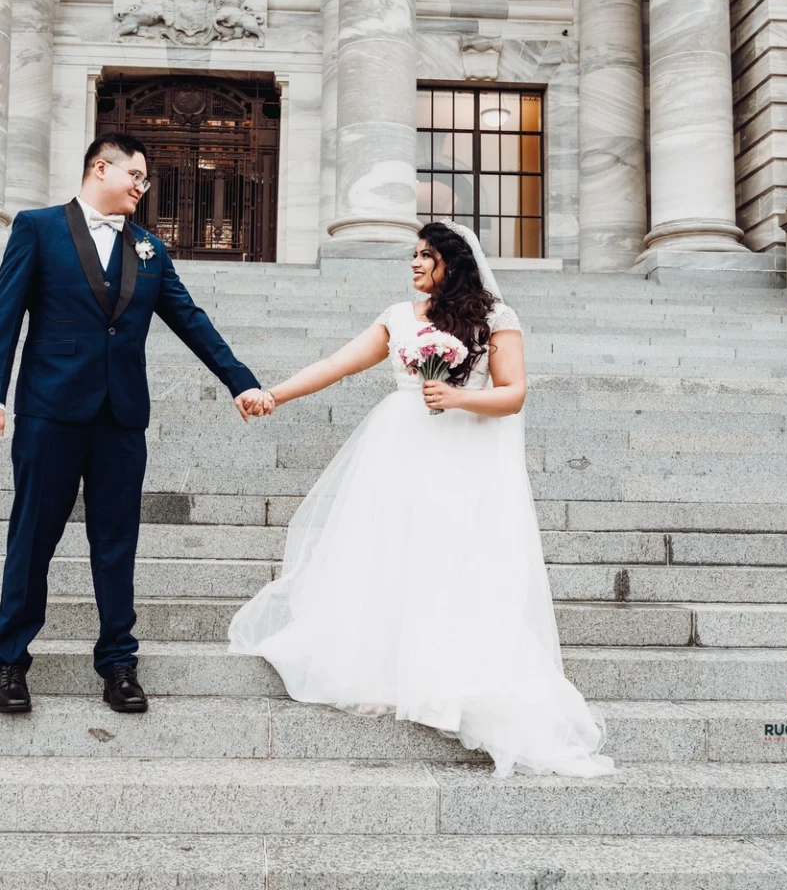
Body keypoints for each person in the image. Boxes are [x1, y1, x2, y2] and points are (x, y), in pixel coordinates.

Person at [229, 221, 615, 778]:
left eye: (425, 255)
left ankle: (447, 680)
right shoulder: (397, 317)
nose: (413, 264)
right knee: (393, 555)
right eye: (412, 254)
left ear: (452, 264)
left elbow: (514, 393)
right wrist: (272, 394)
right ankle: (386, 675)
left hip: (465, 453)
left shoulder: (497, 319)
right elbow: (336, 365)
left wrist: (458, 396)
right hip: (400, 449)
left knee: (454, 560)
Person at [0, 132, 269, 716]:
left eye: (145, 180)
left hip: (121, 419)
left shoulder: (149, 247)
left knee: (117, 544)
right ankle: (9, 661)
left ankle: (118, 663)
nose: (143, 186)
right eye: (136, 175)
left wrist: (242, 380)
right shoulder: (38, 227)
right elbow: (4, 313)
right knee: (32, 537)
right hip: (49, 412)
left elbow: (191, 319)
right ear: (100, 168)